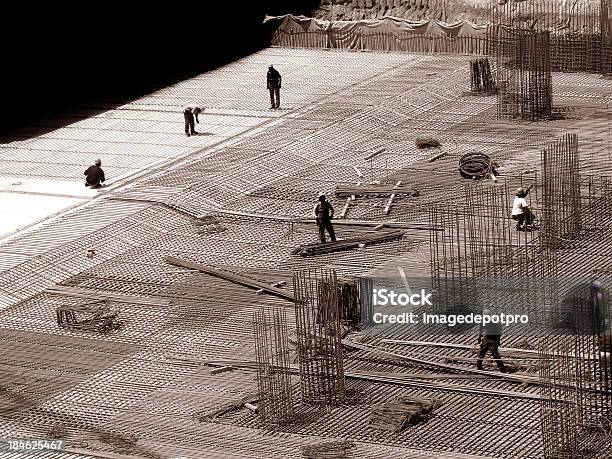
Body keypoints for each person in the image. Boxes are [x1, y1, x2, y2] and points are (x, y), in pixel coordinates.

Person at [476, 308, 507, 372]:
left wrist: (497, 340)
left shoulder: (495, 322)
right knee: (481, 352)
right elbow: (481, 329)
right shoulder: (483, 321)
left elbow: (499, 332)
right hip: (487, 338)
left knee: (495, 354)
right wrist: (479, 337)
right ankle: (479, 366)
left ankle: (502, 368)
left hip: (493, 339)